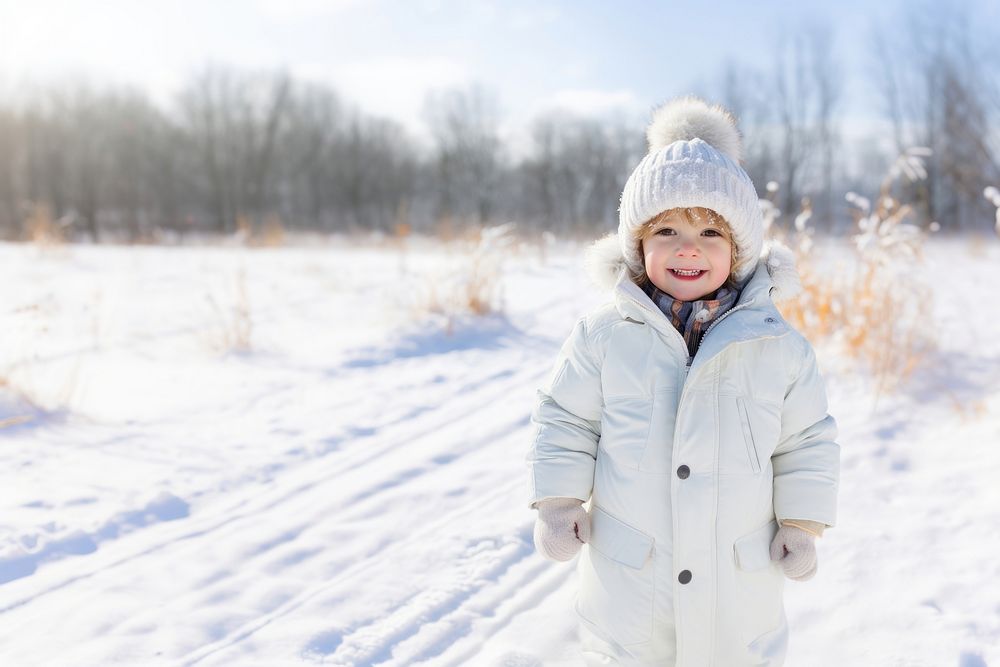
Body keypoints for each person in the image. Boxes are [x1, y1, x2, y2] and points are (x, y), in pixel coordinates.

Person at [524, 95, 839, 666]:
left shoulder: (777, 347)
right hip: (633, 586)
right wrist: (559, 499)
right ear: (637, 246)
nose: (687, 247)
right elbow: (564, 417)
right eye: (665, 228)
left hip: (737, 586)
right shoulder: (604, 335)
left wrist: (800, 520)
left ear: (739, 252)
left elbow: (806, 440)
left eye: (711, 234)